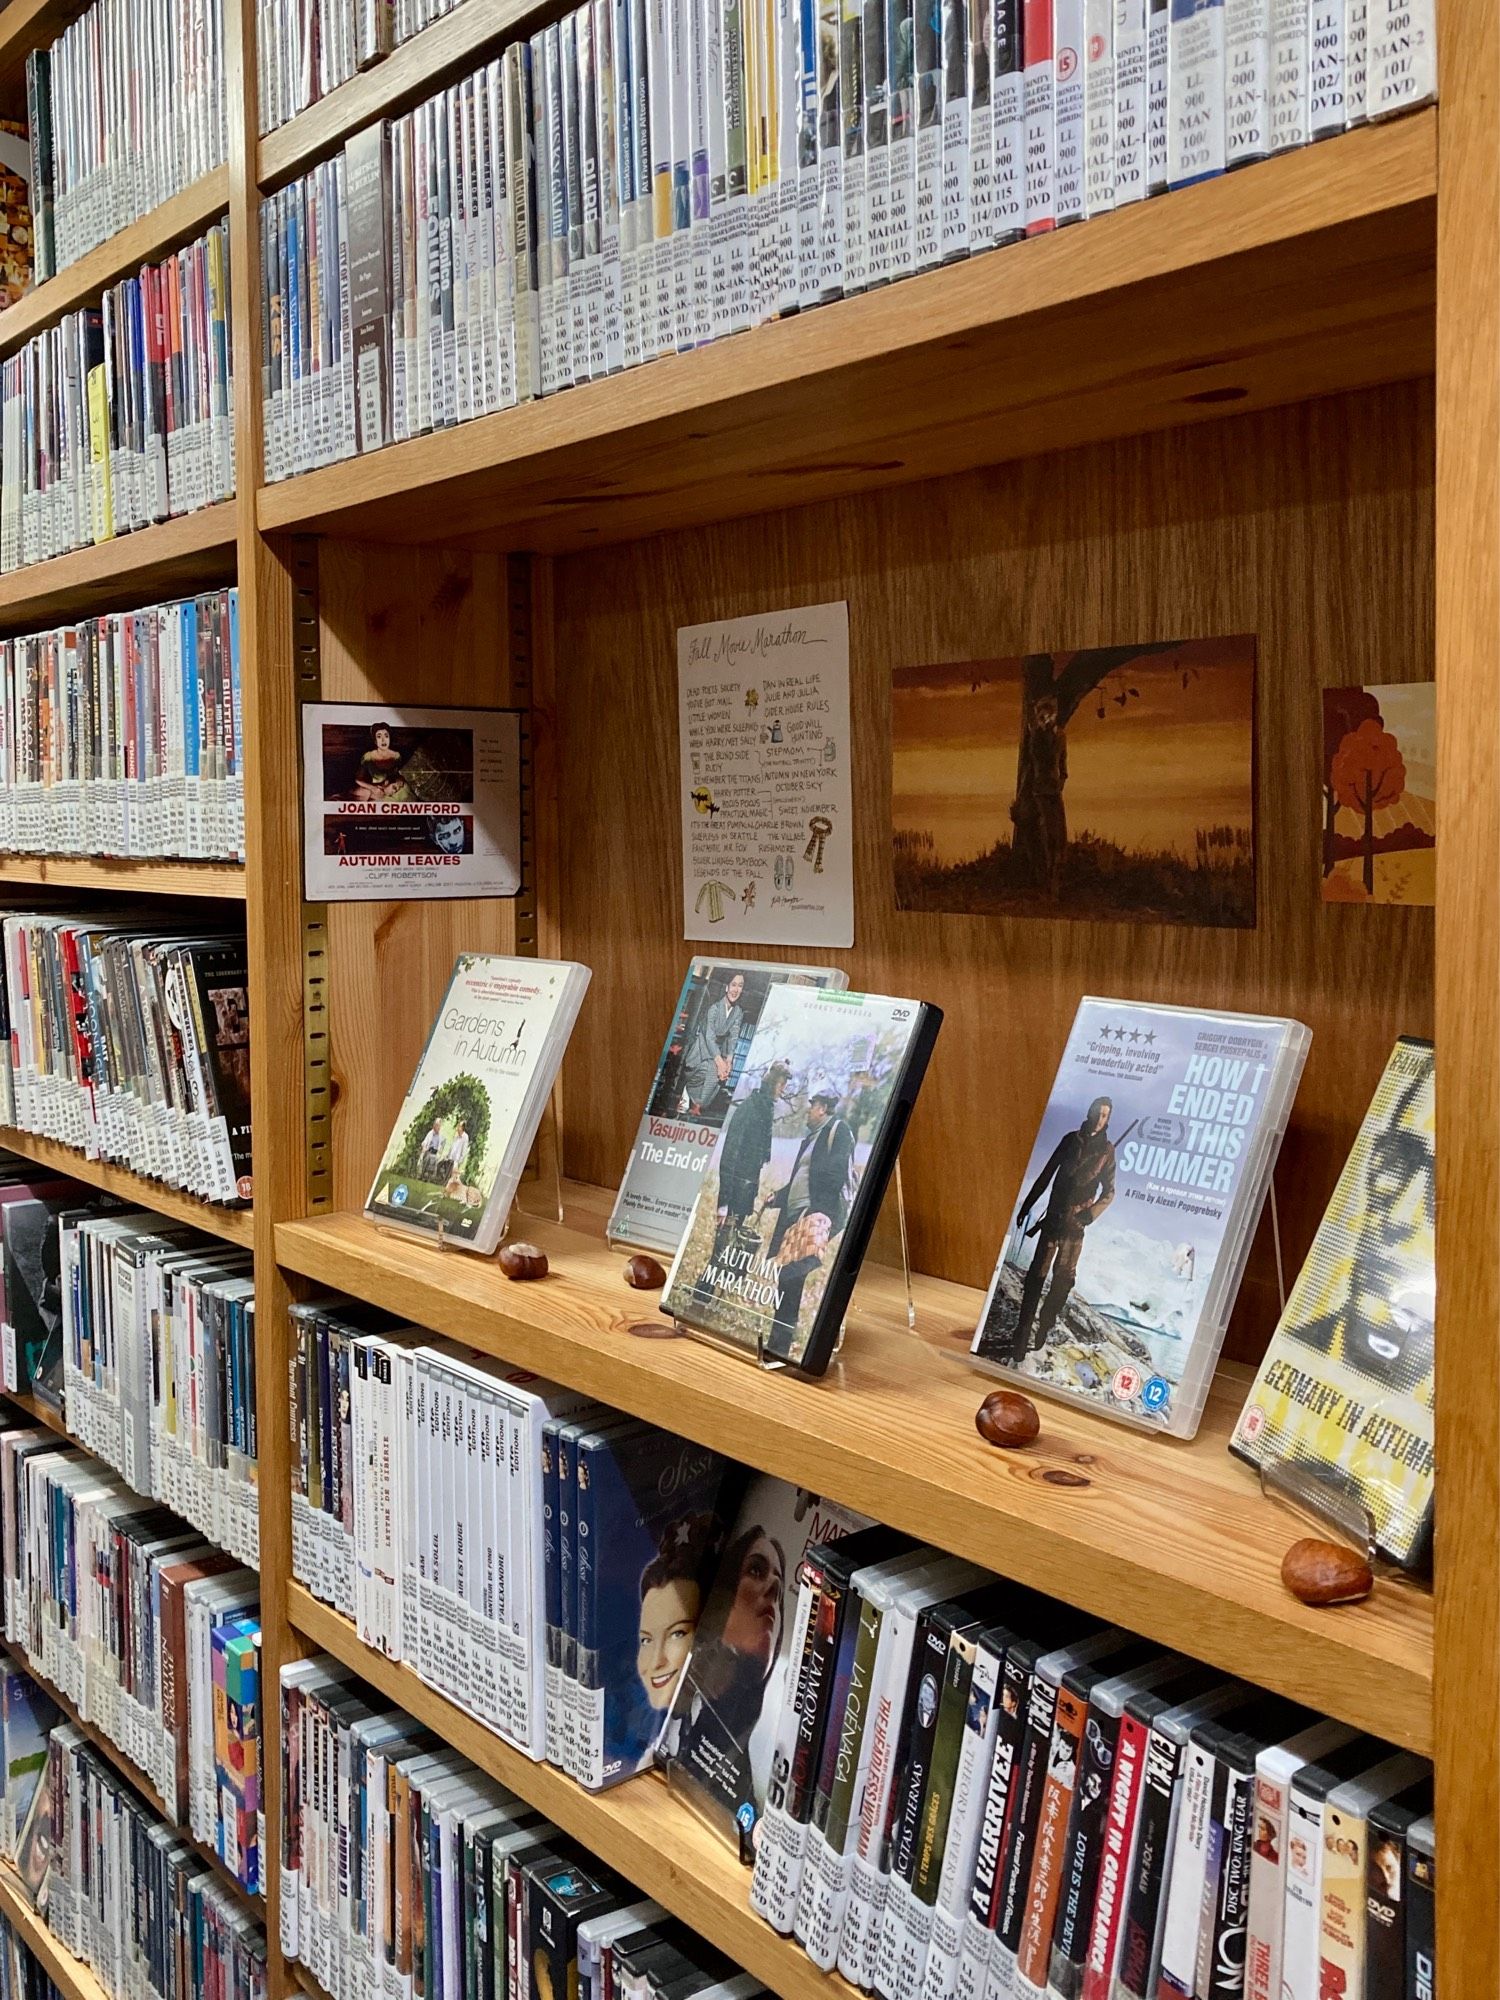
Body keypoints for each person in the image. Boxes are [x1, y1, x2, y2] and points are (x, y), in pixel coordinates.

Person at [1007, 1095, 1117, 1360]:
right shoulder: (1069, 1140)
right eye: (1097, 1113)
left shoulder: (1107, 1151)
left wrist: (1090, 1215)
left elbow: (1109, 1191)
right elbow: (1046, 1175)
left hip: (1075, 1227)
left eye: (1105, 1115)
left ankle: (1044, 1327)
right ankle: (1021, 1335)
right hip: (1053, 1221)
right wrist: (1027, 1205)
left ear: (1107, 1120)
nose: (1099, 1119)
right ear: (1089, 1112)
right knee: (1035, 1278)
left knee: (1062, 1283)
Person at [764, 1091, 856, 1347]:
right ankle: (778, 1340)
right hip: (795, 1218)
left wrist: (815, 1211)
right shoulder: (810, 1139)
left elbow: (835, 1178)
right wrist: (779, 1197)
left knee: (792, 1277)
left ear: (823, 1108)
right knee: (786, 1278)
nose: (808, 1110)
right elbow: (800, 1179)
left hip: (811, 1218)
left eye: (812, 1105)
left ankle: (780, 1344)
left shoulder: (838, 1131)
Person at [712, 1062, 791, 1254]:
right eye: (781, 1084)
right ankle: (705, 1284)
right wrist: (723, 1204)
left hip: (745, 1194)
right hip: (733, 1195)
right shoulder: (749, 1109)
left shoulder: (764, 1109)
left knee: (731, 1249)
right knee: (721, 1250)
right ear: (772, 1083)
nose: (783, 1090)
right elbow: (729, 1156)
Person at [679, 973, 748, 1118]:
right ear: (727, 987)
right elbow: (709, 1037)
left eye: (740, 986)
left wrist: (729, 1061)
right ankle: (688, 1106)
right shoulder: (714, 1008)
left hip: (716, 1053)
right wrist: (720, 1063)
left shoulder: (738, 1012)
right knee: (710, 1071)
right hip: (701, 1051)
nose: (736, 990)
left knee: (717, 1079)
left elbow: (733, 1037)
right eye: (733, 985)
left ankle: (696, 1110)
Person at [354, 723, 409, 798]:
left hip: (394, 790)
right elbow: (358, 779)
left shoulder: (397, 756)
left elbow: (399, 774)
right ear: (375, 740)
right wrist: (373, 788)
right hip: (376, 790)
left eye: (386, 736)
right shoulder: (368, 756)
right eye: (379, 736)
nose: (383, 740)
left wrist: (400, 779)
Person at [417, 1117, 446, 1183]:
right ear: (434, 1125)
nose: (438, 1127)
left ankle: (428, 1178)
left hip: (435, 1153)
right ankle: (421, 1175)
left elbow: (442, 1144)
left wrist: (441, 1151)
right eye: (437, 1125)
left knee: (434, 1163)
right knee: (427, 1160)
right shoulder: (430, 1133)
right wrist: (424, 1147)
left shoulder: (440, 1136)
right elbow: (425, 1142)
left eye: (439, 1126)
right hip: (428, 1151)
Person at [443, 1116, 471, 1185]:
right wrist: (448, 1155)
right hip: (450, 1159)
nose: (458, 1128)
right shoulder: (456, 1136)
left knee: (452, 1177)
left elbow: (464, 1151)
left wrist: (459, 1161)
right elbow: (452, 1147)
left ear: (462, 1128)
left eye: (459, 1126)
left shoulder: (465, 1137)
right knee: (446, 1175)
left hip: (456, 1161)